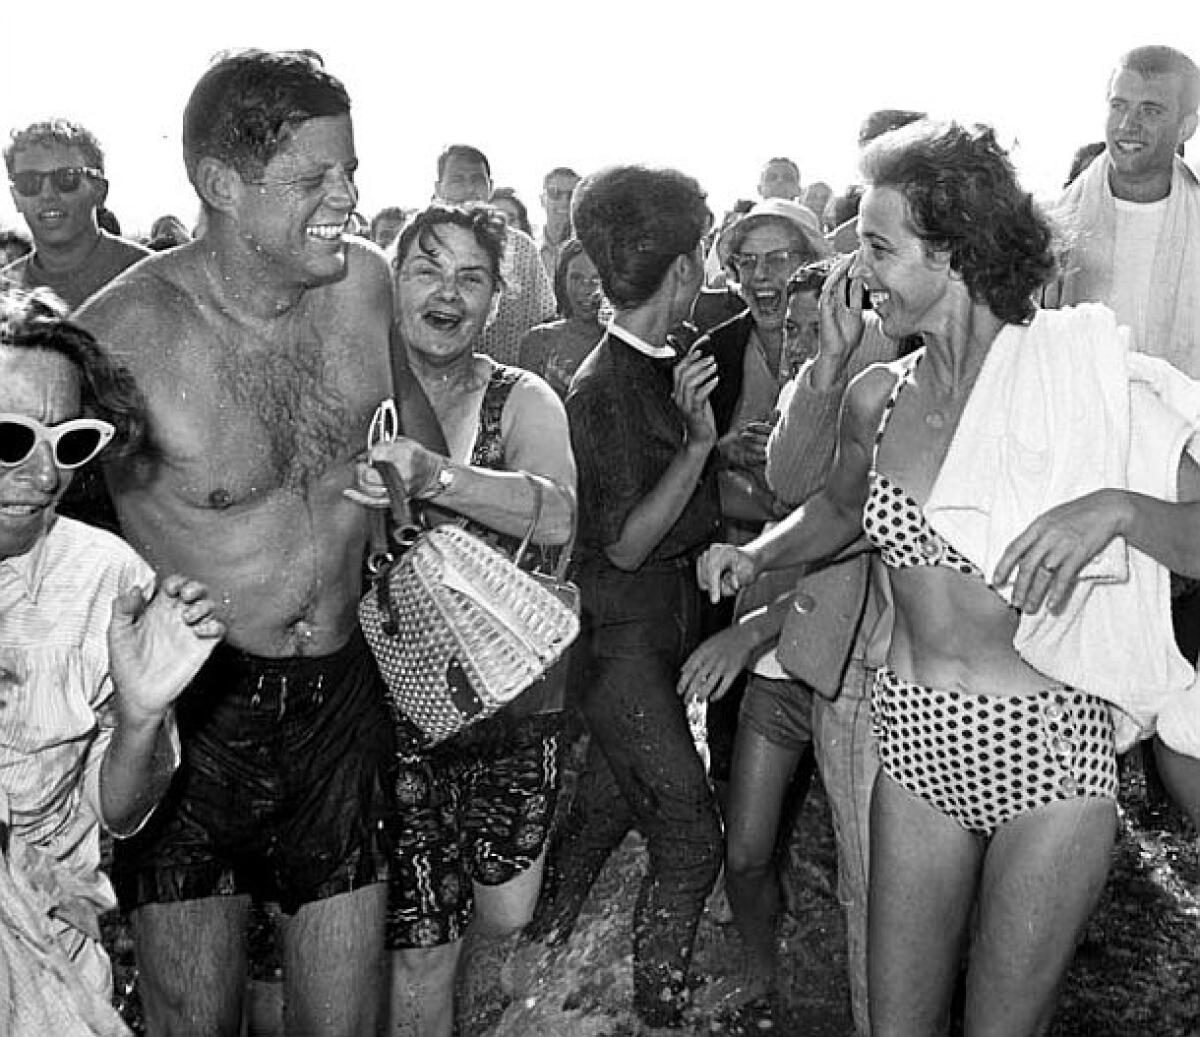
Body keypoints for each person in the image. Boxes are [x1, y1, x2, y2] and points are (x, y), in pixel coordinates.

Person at [698, 119, 1200, 1036]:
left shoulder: (1085, 380)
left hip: (1050, 753)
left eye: (879, 248)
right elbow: (843, 508)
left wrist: (1119, 510)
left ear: (954, 250)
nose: (861, 275)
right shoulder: (877, 394)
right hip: (916, 744)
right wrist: (758, 553)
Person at [73, 49, 423, 1036]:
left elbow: (420, 454)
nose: (349, 198)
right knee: (196, 1018)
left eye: (350, 170)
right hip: (198, 709)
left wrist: (408, 488)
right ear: (221, 185)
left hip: (340, 695)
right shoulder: (120, 343)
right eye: (317, 178)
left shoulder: (364, 287)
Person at [352, 203, 575, 1037]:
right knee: (422, 941)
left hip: (512, 706)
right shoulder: (356, 396)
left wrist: (436, 476)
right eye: (426, 269)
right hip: (390, 711)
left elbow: (557, 518)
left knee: (507, 911)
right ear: (391, 283)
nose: (448, 292)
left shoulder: (522, 396)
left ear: (494, 300)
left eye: (470, 277)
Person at [526, 164, 723, 1030]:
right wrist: (699, 447)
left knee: (597, 820)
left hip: (649, 644)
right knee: (690, 841)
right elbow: (627, 539)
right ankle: (660, 1011)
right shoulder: (604, 385)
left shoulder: (663, 360)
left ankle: (529, 971)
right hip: (623, 652)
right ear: (681, 270)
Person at [0, 286, 224, 1034]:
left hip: (53, 970)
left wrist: (141, 713)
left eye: (67, 444)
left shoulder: (104, 580)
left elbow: (120, 812)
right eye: (10, 438)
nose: (42, 477)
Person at [1051, 46, 1200, 374]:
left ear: (1186, 127)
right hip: (1072, 415)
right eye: (1119, 106)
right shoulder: (1053, 226)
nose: (1128, 125)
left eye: (1151, 111)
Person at [2, 120, 150, 309]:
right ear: (15, 198)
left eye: (66, 178)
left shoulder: (152, 274)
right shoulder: (5, 294)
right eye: (29, 182)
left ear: (100, 191)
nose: (47, 194)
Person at [431, 144, 555, 365]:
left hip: (507, 383)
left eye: (477, 180)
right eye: (458, 180)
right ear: (439, 188)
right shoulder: (421, 245)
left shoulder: (522, 248)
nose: (470, 189)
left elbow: (544, 319)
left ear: (490, 187)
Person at [517, 238, 605, 395]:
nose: (586, 288)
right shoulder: (538, 341)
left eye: (596, 279)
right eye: (576, 278)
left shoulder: (624, 343)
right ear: (562, 281)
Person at [538, 166, 580, 277]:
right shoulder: (528, 249)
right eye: (555, 193)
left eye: (572, 195)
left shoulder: (591, 251)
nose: (564, 201)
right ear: (542, 199)